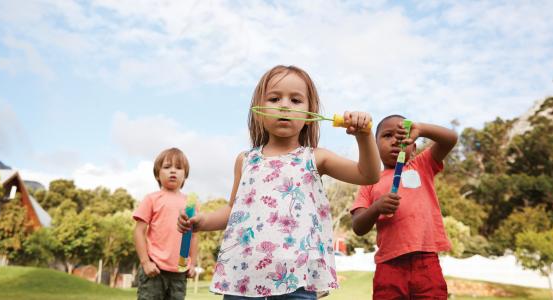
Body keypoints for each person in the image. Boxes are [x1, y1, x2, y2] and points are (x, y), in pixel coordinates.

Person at [178, 65, 381, 299]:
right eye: (275, 98)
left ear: (309, 114)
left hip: (296, 278)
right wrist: (202, 222)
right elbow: (234, 210)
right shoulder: (245, 160)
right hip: (243, 277)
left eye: (296, 100)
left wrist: (364, 136)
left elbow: (368, 175)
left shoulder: (315, 157)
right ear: (259, 111)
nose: (285, 105)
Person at [351, 115, 458, 299]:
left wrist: (420, 129)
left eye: (402, 138)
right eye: (387, 136)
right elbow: (358, 226)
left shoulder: (421, 165)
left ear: (414, 147)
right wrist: (376, 208)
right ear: (374, 147)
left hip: (426, 260)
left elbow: (450, 139)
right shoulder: (369, 181)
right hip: (388, 264)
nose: (395, 142)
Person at [133, 147, 199, 300]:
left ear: (185, 174)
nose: (173, 171)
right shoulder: (151, 199)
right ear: (157, 173)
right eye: (167, 167)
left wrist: (193, 264)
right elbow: (138, 232)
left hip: (180, 272)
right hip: (154, 269)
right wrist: (145, 262)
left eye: (178, 168)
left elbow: (194, 236)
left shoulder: (191, 204)